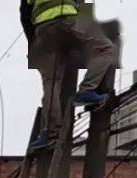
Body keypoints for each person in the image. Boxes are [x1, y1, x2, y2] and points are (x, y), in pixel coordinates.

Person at [21, 0, 114, 149]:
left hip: (43, 30)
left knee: (51, 81)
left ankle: (50, 132)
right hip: (66, 21)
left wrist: (33, 43)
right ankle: (86, 90)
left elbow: (24, 13)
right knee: (104, 48)